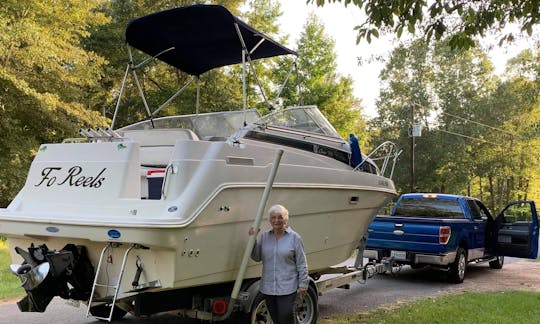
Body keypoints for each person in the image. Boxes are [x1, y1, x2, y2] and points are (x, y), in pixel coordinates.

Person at [249, 204, 309, 324]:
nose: (277, 220)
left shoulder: (295, 238)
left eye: (280, 217)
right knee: (276, 319)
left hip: (288, 287)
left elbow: (302, 263)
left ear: (285, 219)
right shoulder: (265, 237)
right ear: (270, 220)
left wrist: (303, 284)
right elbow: (257, 257)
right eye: (273, 217)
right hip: (269, 287)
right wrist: (252, 239)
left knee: (286, 317)